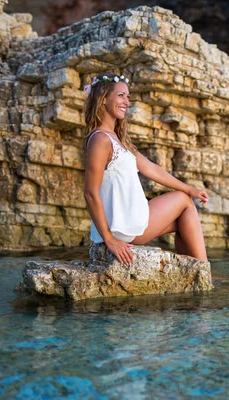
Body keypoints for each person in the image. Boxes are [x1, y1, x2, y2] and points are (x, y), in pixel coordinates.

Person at [83, 73, 209, 265]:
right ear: (103, 99)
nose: (126, 101)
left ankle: (195, 269)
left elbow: (152, 169)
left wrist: (190, 188)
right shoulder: (100, 139)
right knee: (184, 201)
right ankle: (204, 270)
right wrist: (109, 240)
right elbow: (90, 193)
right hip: (122, 226)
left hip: (129, 221)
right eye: (120, 95)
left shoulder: (117, 140)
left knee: (185, 218)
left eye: (128, 97)